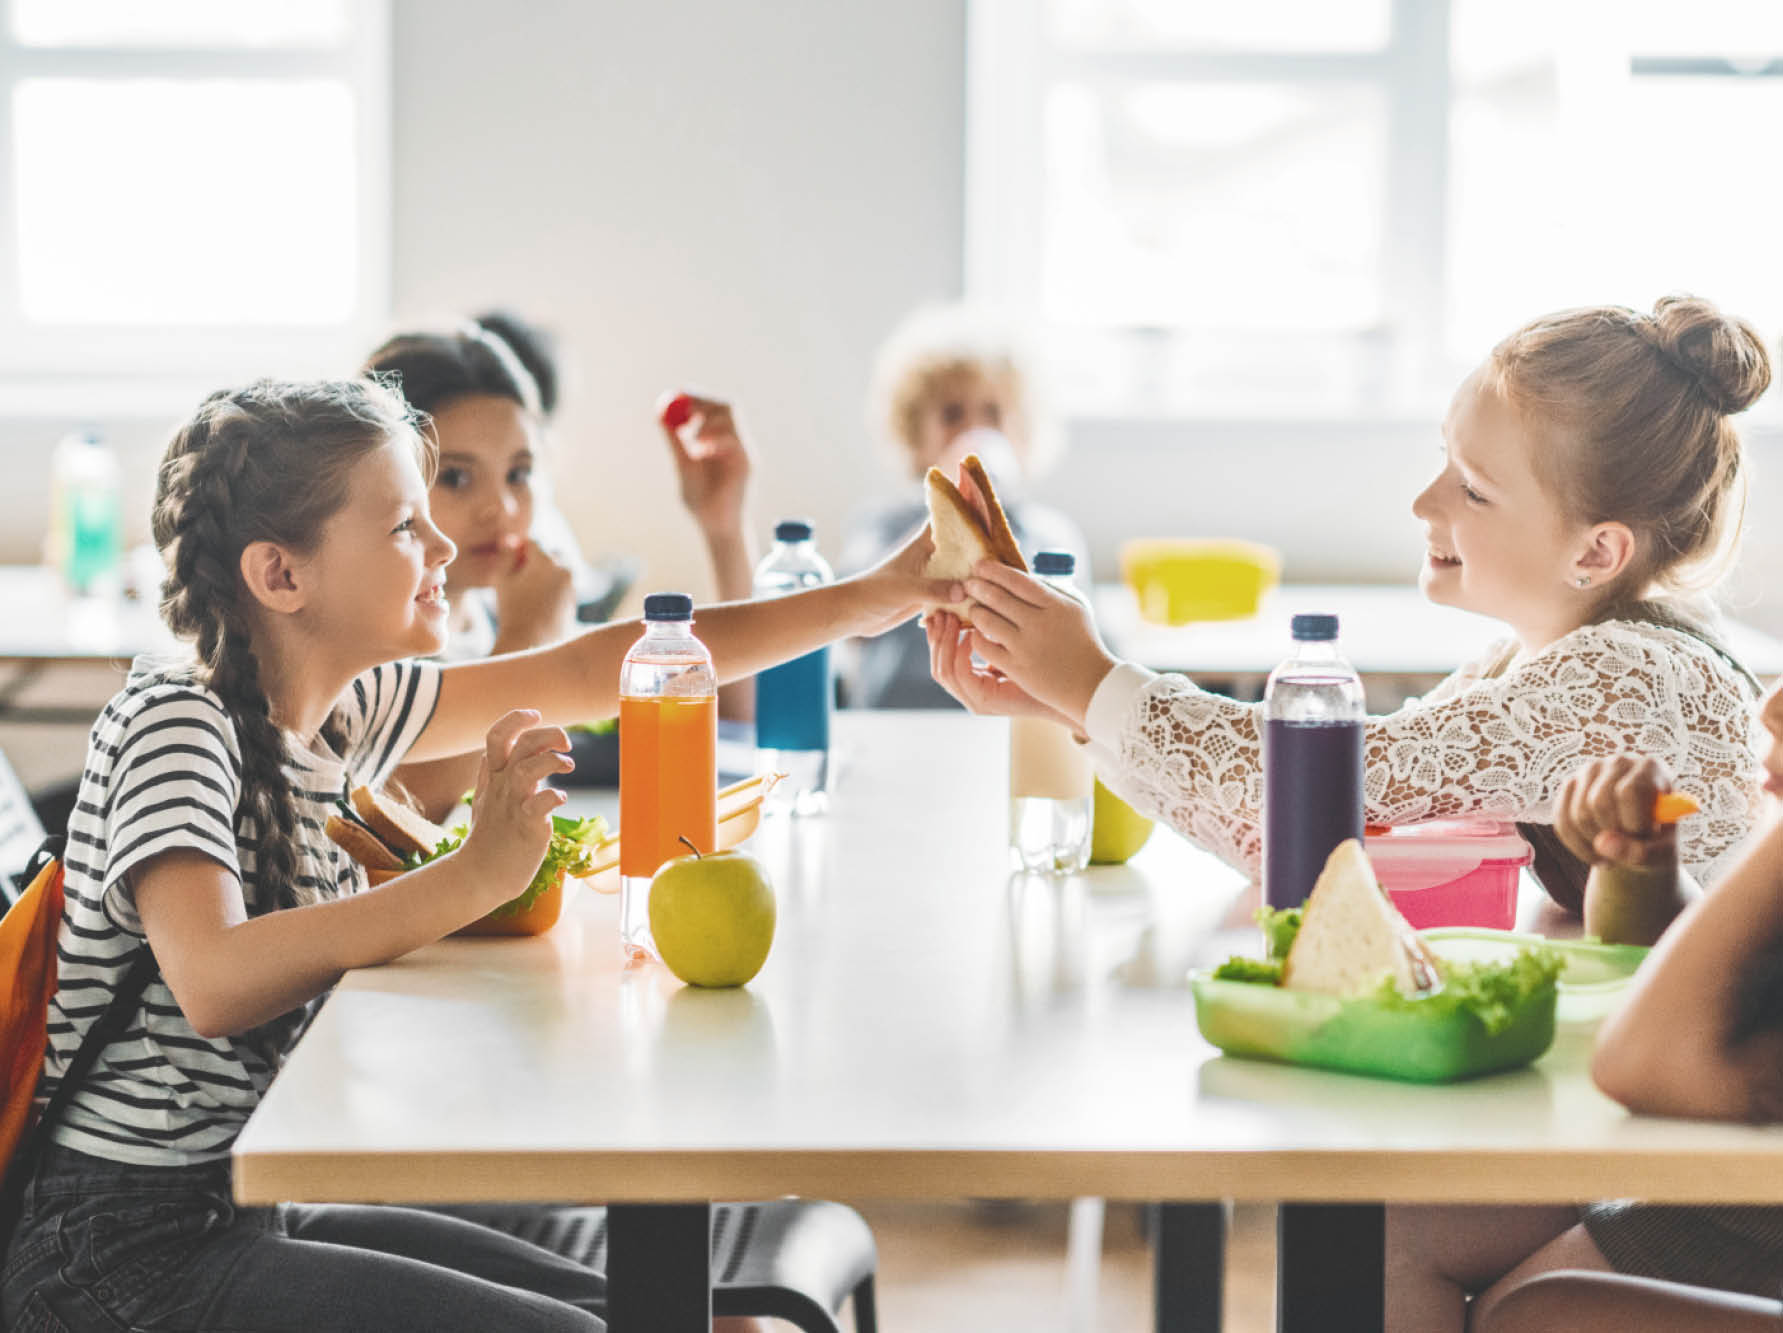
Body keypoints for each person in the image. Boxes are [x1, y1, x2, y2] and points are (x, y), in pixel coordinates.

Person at [0, 377, 947, 1332]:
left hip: (232, 1213)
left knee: (669, 1314)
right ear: (281, 576)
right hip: (111, 1255)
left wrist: (875, 599)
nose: (444, 546)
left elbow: (598, 666)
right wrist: (469, 876)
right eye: (406, 526)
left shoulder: (342, 709)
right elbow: (212, 975)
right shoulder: (177, 721)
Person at [926, 295, 1771, 907]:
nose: (1423, 505)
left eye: (1471, 490)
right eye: (1442, 459)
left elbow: (1333, 780)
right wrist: (1070, 701)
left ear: (1596, 551)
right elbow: (1309, 836)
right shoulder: (1522, 661)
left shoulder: (1621, 679)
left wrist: (1092, 682)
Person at [1390, 678, 1783, 1333]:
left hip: (1756, 1216)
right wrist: (1644, 877)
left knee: (1534, 1317)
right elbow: (1719, 998)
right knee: (1392, 1224)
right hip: (1735, 1188)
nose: (1769, 705)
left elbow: (1645, 1061)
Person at [841, 303, 1086, 707]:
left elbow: (1077, 642)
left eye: (992, 413)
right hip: (897, 717)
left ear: (1022, 431)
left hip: (1006, 724)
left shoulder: (1050, 534)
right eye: (952, 414)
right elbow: (852, 615)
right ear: (915, 438)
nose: (975, 431)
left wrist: (996, 513)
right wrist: (950, 514)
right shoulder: (882, 526)